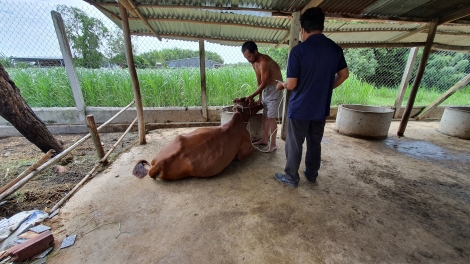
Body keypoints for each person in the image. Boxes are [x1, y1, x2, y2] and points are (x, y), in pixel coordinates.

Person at [274, 7, 349, 188]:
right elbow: (344, 75)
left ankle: (291, 177)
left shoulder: (299, 51)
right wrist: (325, 87)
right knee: (315, 142)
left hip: (300, 109)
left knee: (294, 144)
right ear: (321, 26)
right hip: (320, 108)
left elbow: (291, 84)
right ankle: (312, 174)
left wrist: (282, 84)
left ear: (303, 29)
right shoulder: (334, 49)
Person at [241, 41, 283, 153]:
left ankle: (273, 144)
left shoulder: (264, 61)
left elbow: (264, 83)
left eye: (249, 56)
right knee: (265, 116)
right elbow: (259, 81)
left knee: (271, 117)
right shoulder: (254, 63)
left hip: (275, 88)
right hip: (266, 90)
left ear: (255, 51)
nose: (248, 59)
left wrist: (251, 95)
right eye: (246, 57)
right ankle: (264, 139)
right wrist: (259, 97)